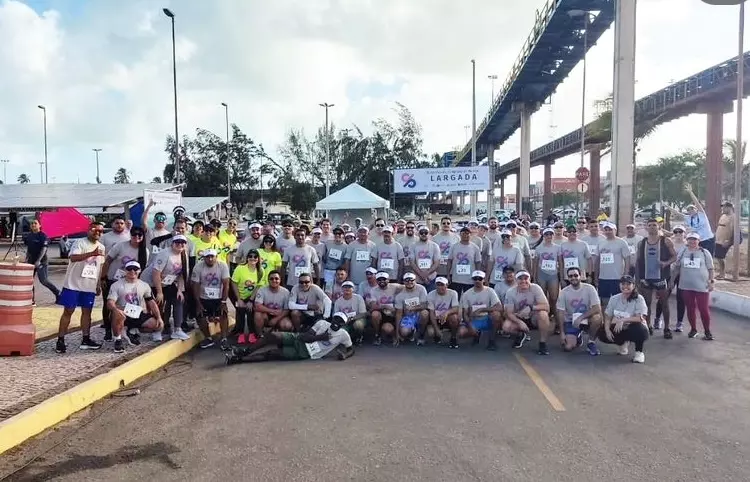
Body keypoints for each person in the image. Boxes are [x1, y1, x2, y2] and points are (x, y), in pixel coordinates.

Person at [225, 312, 354, 364]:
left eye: (340, 321)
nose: (337, 322)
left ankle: (239, 360)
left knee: (271, 354)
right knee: (272, 336)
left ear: (343, 324)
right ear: (332, 319)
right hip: (299, 339)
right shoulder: (322, 324)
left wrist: (345, 355)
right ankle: (244, 351)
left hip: (306, 352)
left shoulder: (343, 335)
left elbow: (351, 349)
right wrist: (321, 337)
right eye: (336, 319)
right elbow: (304, 337)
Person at [55, 222, 106, 354]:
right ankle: (60, 340)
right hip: (73, 284)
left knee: (87, 312)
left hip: (89, 286)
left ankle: (86, 339)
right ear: (89, 230)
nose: (98, 233)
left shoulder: (102, 247)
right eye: (95, 230)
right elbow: (73, 258)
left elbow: (99, 267)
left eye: (100, 231)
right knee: (68, 311)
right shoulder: (79, 243)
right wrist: (91, 253)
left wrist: (98, 284)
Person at [100, 226, 148, 341]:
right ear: (130, 235)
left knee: (130, 303)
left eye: (139, 235)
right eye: (134, 235)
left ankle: (130, 327)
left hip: (131, 282)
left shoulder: (144, 250)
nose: (136, 237)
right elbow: (107, 261)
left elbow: (142, 268)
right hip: (113, 279)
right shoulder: (120, 246)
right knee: (109, 305)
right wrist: (103, 277)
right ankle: (108, 328)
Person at [106, 261, 164, 353]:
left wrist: (159, 317)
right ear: (125, 270)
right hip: (123, 311)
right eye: (129, 269)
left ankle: (132, 330)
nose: (132, 271)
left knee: (158, 325)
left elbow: (151, 302)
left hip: (137, 312)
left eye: (135, 269)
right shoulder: (116, 285)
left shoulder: (144, 285)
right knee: (117, 313)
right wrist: (115, 309)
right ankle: (117, 339)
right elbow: (110, 302)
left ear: (140, 270)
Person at [140, 235, 190, 340]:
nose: (180, 244)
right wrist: (159, 292)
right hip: (151, 282)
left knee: (178, 299)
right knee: (158, 304)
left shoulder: (183, 254)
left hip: (167, 282)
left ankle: (177, 329)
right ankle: (157, 330)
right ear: (172, 243)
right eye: (177, 242)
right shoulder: (164, 254)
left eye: (182, 242)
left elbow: (181, 274)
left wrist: (180, 290)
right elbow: (156, 273)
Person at [635, 219, 677, 338]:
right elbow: (638, 261)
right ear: (646, 228)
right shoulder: (642, 242)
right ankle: (647, 326)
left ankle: (667, 328)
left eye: (654, 225)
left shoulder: (665, 241)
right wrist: (637, 278)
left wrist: (665, 263)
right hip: (646, 278)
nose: (652, 227)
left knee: (664, 304)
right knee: (647, 304)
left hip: (661, 278)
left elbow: (674, 257)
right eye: (650, 225)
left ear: (659, 227)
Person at [599, 275, 650, 363]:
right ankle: (622, 343)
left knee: (639, 330)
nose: (625, 286)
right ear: (619, 285)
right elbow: (607, 316)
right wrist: (607, 330)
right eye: (623, 284)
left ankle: (639, 352)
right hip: (619, 326)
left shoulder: (639, 298)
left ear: (633, 286)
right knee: (601, 332)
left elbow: (640, 318)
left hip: (634, 326)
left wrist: (622, 320)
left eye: (628, 284)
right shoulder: (614, 298)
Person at [676, 232, 715, 340]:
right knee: (690, 308)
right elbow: (677, 266)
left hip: (702, 286)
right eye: (690, 239)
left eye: (694, 239)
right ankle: (693, 329)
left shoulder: (704, 252)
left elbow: (711, 268)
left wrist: (711, 282)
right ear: (687, 241)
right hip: (686, 285)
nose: (692, 242)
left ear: (699, 241)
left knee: (703, 309)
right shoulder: (683, 251)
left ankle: (707, 331)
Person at [502, 270, 551, 355]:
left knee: (543, 314)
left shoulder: (536, 288)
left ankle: (542, 343)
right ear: (516, 280)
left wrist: (531, 307)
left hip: (533, 316)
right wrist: (520, 322)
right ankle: (520, 334)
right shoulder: (510, 292)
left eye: (526, 278)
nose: (523, 281)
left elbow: (547, 307)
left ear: (530, 279)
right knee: (506, 327)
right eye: (520, 279)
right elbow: (508, 313)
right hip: (519, 316)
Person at [556, 267, 602, 353]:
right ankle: (577, 337)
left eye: (575, 275)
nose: (573, 278)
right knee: (568, 347)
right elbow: (560, 313)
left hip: (586, 318)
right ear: (568, 278)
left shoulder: (590, 288)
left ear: (580, 276)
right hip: (571, 320)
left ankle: (591, 342)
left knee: (597, 318)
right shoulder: (564, 292)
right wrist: (561, 332)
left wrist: (581, 318)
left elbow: (597, 308)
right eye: (570, 276)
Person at [192, 249, 231, 350]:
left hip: (218, 297)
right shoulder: (198, 267)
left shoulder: (222, 265)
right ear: (204, 258)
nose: (210, 259)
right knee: (200, 315)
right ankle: (208, 338)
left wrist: (224, 301)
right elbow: (195, 285)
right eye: (208, 257)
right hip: (204, 296)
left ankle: (224, 339)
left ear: (216, 257)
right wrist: (198, 303)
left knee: (224, 314)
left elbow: (226, 284)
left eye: (212, 257)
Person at [459, 270, 503, 350]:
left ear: (484, 280)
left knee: (496, 315)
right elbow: (464, 313)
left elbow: (499, 307)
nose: (477, 281)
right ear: (472, 280)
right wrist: (469, 326)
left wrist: (482, 309)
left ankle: (492, 341)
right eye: (475, 279)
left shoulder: (490, 291)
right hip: (475, 319)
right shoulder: (466, 294)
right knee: (461, 333)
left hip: (487, 318)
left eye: (480, 279)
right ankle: (476, 334)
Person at [231, 248, 265, 343]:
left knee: (251, 313)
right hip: (241, 295)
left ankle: (252, 333)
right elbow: (234, 282)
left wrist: (251, 300)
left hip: (252, 296)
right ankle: (240, 333)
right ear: (247, 258)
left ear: (258, 259)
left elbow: (258, 286)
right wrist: (239, 298)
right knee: (241, 313)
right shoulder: (240, 268)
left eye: (255, 257)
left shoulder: (261, 270)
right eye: (250, 256)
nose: (252, 258)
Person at [23, 218, 60, 306]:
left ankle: (57, 292)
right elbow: (29, 249)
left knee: (44, 281)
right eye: (32, 223)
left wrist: (38, 261)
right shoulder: (29, 236)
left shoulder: (43, 236)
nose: (33, 225)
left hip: (41, 262)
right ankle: (32, 300)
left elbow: (44, 249)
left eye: (35, 223)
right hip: (31, 262)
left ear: (40, 225)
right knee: (29, 281)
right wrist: (26, 259)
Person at [393, 272, 429, 346]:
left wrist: (413, 308)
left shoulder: (421, 288)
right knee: (404, 332)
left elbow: (425, 305)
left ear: (415, 280)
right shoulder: (399, 295)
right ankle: (411, 332)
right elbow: (398, 314)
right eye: (407, 281)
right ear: (403, 282)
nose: (409, 282)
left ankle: (421, 335)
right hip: (408, 317)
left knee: (425, 313)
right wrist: (397, 333)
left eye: (411, 280)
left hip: (419, 314)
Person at [253, 270, 292, 334]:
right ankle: (260, 335)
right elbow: (257, 306)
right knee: (257, 314)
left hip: (280, 315)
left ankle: (277, 334)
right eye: (271, 279)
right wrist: (272, 311)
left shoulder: (286, 292)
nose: (274, 280)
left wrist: (276, 319)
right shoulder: (262, 290)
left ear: (280, 280)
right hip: (266, 313)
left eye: (276, 278)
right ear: (268, 280)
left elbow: (287, 309)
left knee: (287, 325)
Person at [426, 277, 460, 347]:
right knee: (431, 332)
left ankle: (453, 338)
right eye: (438, 285)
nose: (439, 287)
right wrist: (436, 329)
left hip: (447, 318)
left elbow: (456, 308)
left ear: (446, 285)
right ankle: (437, 333)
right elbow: (431, 312)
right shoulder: (430, 294)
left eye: (442, 285)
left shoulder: (453, 293)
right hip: (436, 317)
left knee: (454, 317)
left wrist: (446, 313)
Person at [714, 201, 736, 279]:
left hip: (725, 241)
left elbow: (734, 231)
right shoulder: (723, 216)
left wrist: (729, 241)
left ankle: (723, 274)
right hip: (718, 240)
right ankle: (721, 273)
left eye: (724, 207)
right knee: (718, 257)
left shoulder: (734, 217)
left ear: (729, 207)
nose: (723, 208)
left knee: (722, 257)